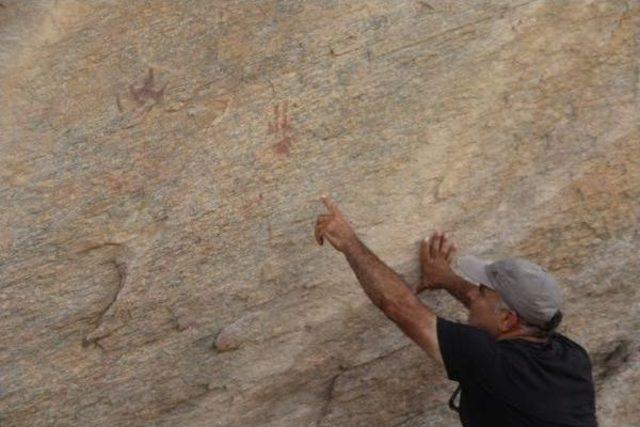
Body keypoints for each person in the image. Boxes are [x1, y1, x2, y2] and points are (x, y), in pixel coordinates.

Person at [314, 195, 597, 426]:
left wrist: (349, 243)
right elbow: (495, 316)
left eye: (482, 290)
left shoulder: (491, 362)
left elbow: (399, 306)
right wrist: (445, 278)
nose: (472, 291)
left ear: (508, 319)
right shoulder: (570, 356)